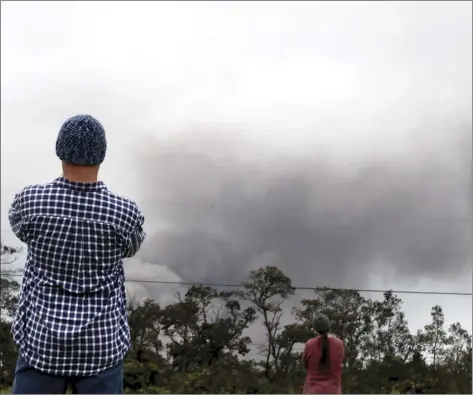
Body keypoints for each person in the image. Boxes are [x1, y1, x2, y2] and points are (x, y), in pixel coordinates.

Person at [9, 115, 146, 394]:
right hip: (101, 346)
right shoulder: (124, 213)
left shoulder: (31, 201)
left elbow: (19, 229)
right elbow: (131, 248)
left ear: (60, 149)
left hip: (41, 341)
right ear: (102, 154)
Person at [302, 313, 345, 394]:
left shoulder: (310, 344)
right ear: (329, 326)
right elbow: (341, 361)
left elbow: (305, 364)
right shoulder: (339, 344)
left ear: (315, 329)